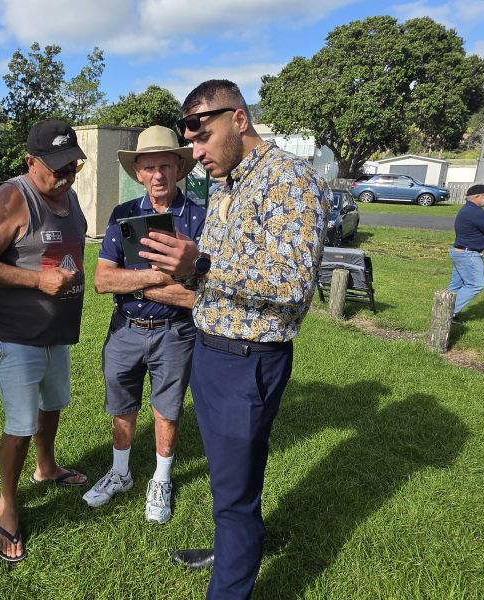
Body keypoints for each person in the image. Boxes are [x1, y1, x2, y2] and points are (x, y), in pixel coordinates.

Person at [139, 79, 329, 599]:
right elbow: (228, 264)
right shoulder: (227, 183)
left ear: (239, 119)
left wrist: (199, 264)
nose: (196, 155)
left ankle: (229, 587)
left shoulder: (290, 179)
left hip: (248, 360)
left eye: (202, 138)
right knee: (230, 478)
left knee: (232, 493)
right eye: (191, 143)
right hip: (212, 348)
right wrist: (190, 260)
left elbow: (292, 284)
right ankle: (232, 549)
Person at [0, 119, 89, 563]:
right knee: (19, 422)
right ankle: (7, 504)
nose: (65, 175)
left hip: (56, 332)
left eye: (71, 166)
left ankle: (46, 466)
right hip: (14, 335)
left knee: (53, 403)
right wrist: (38, 281)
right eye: (55, 168)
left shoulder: (68, 195)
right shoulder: (12, 196)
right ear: (30, 161)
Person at [82, 126, 205, 523]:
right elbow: (103, 281)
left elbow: (198, 295)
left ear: (179, 168)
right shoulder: (124, 215)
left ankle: (161, 479)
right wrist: (159, 277)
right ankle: (120, 474)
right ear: (138, 172)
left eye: (165, 166)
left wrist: (135, 283)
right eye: (149, 167)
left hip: (175, 333)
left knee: (167, 410)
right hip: (125, 330)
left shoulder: (199, 220)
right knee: (121, 405)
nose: (157, 175)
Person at [448, 183, 484, 324]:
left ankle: (445, 313)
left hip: (460, 252)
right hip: (468, 255)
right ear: (477, 197)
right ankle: (447, 312)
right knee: (475, 285)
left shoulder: (469, 209)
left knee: (455, 286)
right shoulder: (474, 211)